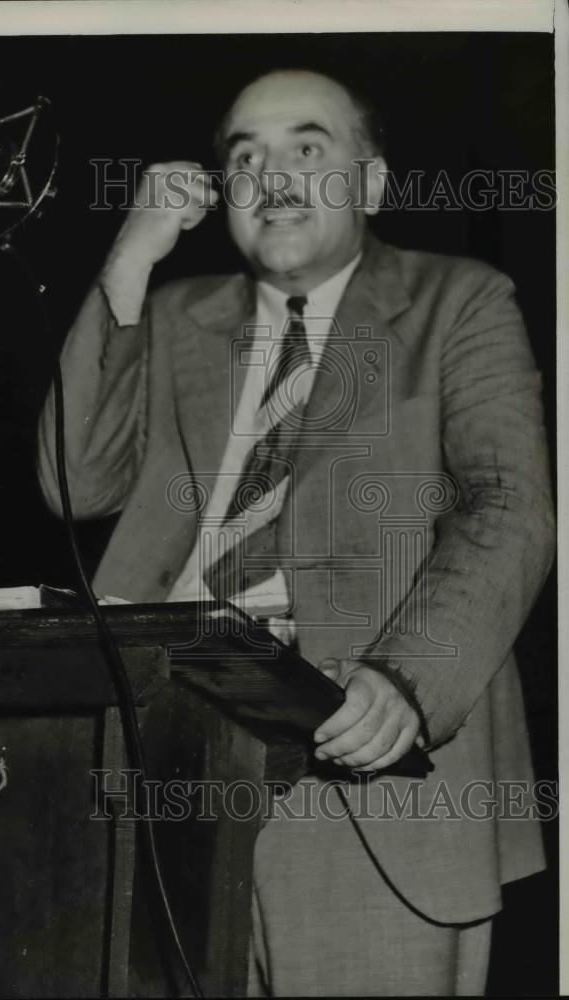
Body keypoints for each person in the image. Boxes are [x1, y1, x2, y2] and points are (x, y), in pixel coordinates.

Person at [37, 69, 555, 996]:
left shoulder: (459, 300)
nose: (269, 176)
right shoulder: (172, 317)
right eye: (243, 156)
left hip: (361, 759)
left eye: (305, 149)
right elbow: (74, 482)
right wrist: (127, 263)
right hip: (169, 757)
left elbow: (509, 504)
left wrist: (407, 680)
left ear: (371, 182)